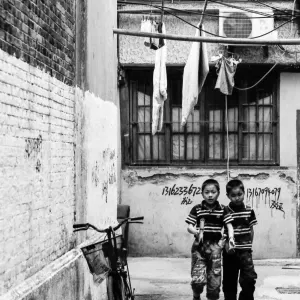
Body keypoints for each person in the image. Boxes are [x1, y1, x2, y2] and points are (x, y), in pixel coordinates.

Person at [185, 179, 235, 300]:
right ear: (202, 193)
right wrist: (196, 231)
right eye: (207, 192)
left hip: (215, 249)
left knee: (214, 282)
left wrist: (231, 238)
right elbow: (189, 226)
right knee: (197, 280)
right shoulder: (197, 209)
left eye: (213, 192)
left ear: (218, 193)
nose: (210, 195)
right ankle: (196, 296)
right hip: (199, 248)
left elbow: (229, 226)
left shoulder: (223, 209)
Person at [222, 179, 258, 300]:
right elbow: (221, 231)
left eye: (239, 194)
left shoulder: (249, 210)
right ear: (228, 196)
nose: (237, 198)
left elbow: (251, 230)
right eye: (233, 195)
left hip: (245, 253)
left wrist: (248, 247)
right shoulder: (225, 211)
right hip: (230, 253)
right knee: (229, 281)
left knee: (248, 279)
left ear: (244, 193)